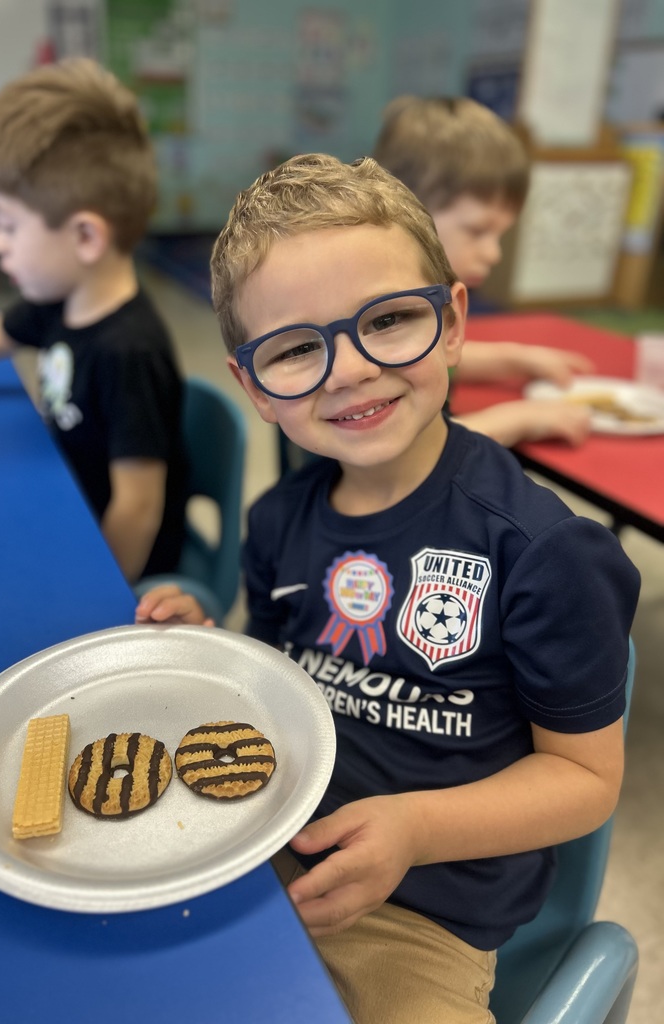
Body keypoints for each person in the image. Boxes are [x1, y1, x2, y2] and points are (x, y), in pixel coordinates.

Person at [135, 154, 640, 1024]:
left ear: (450, 322)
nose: (351, 370)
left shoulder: (544, 551)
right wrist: (213, 638)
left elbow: (585, 780)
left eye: (389, 320)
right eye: (297, 348)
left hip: (424, 916)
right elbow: (283, 674)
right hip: (258, 846)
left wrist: (413, 830)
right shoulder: (278, 520)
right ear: (254, 384)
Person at [0, 57, 187, 585]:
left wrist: (98, 603)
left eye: (8, 224)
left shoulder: (128, 352)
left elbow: (138, 510)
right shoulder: (61, 300)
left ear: (84, 238)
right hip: (65, 505)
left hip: (116, 559)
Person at [372, 95, 594, 447]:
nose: (493, 254)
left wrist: (516, 359)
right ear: (408, 211)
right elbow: (415, 451)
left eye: (500, 234)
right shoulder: (384, 310)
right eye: (478, 231)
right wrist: (518, 420)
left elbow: (437, 355)